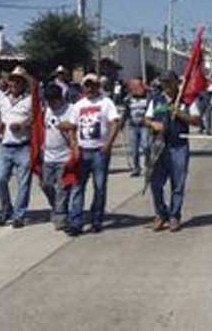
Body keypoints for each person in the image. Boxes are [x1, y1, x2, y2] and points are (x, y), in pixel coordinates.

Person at [145, 71, 201, 233]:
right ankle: (160, 213)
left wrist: (181, 114)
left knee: (178, 183)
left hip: (179, 146)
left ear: (177, 83)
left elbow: (197, 120)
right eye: (164, 82)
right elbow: (147, 118)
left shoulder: (187, 100)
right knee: (156, 183)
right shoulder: (156, 99)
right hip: (159, 146)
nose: (166, 86)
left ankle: (174, 215)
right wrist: (152, 124)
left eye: (169, 82)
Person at [67, 73, 122, 236]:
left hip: (99, 151)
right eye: (87, 85)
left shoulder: (106, 102)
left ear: (98, 86)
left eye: (93, 85)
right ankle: (76, 222)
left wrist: (108, 143)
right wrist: (74, 145)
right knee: (78, 187)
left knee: (99, 187)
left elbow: (115, 123)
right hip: (83, 151)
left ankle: (97, 219)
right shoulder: (78, 105)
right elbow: (72, 126)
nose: (90, 88)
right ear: (83, 87)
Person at [0, 66, 34, 228]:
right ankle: (6, 208)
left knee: (23, 183)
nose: (14, 84)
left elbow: (36, 118)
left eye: (18, 81)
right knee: (0, 180)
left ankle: (19, 215)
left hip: (23, 146)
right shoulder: (2, 98)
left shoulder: (29, 100)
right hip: (5, 145)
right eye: (12, 81)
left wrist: (23, 125)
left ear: (23, 83)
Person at [41, 83, 78, 230]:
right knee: (46, 185)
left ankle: (61, 216)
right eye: (48, 100)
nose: (51, 103)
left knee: (63, 188)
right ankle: (56, 207)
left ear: (60, 98)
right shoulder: (47, 110)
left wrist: (68, 128)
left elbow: (76, 128)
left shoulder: (71, 110)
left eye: (53, 100)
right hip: (49, 155)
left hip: (64, 156)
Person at [123, 78, 151, 178]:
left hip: (145, 126)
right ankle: (136, 168)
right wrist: (121, 124)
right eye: (133, 87)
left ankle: (148, 165)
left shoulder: (148, 98)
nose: (136, 89)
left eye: (138, 86)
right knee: (134, 149)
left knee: (146, 145)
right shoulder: (128, 99)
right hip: (133, 126)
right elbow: (126, 112)